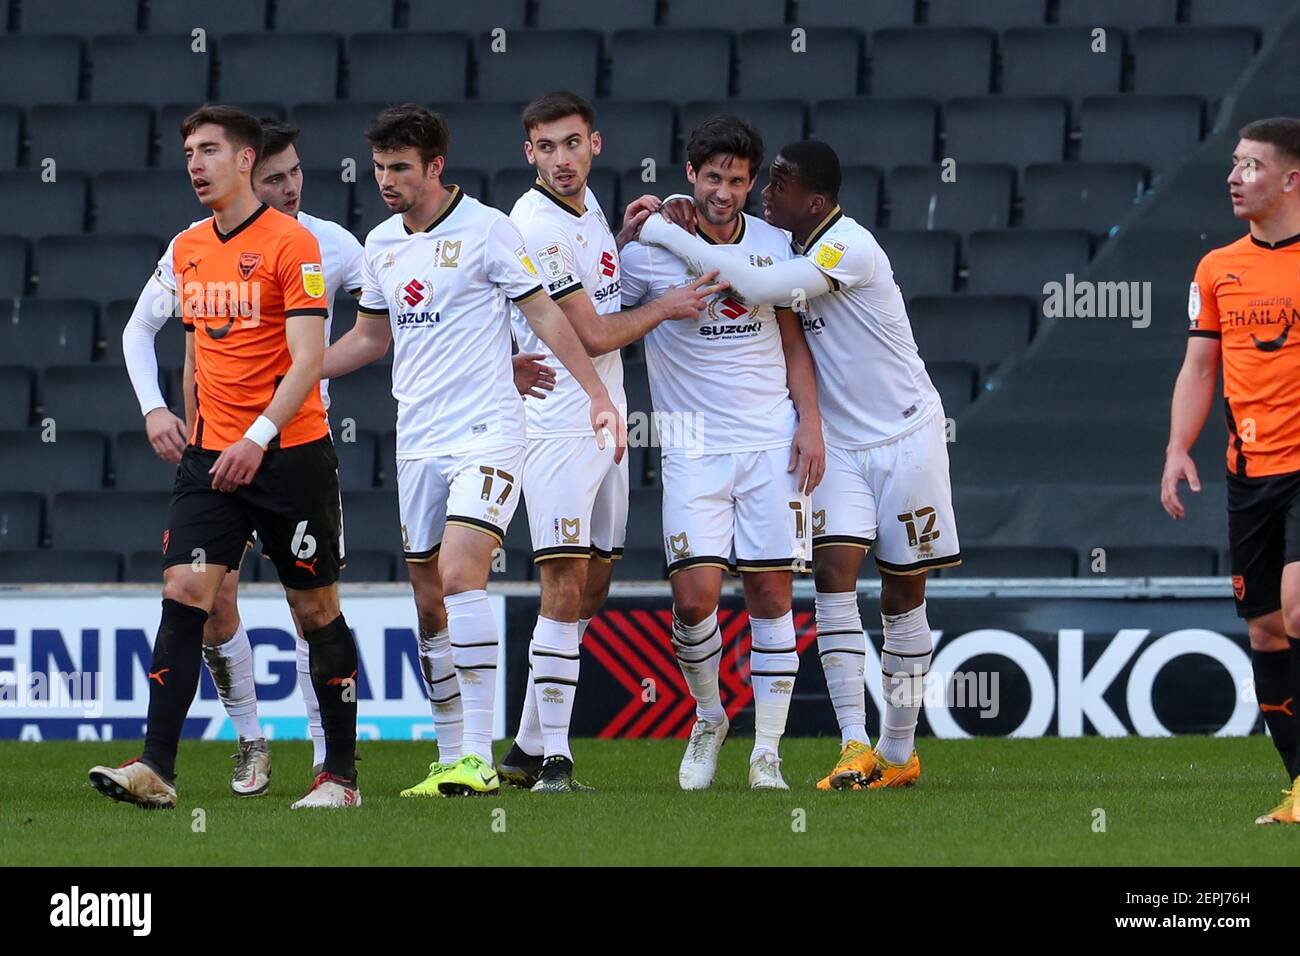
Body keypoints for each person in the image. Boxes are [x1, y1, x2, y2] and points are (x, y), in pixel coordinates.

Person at [640, 138, 962, 791]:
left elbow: (752, 282)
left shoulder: (847, 245)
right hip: (837, 442)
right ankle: (851, 744)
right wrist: (673, 215)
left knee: (903, 592)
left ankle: (898, 751)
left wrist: (662, 233)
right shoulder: (790, 244)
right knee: (833, 573)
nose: (763, 193)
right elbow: (740, 249)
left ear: (812, 200)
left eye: (776, 183)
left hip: (907, 435)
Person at [323, 104, 625, 797]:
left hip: (490, 432)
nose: (387, 181)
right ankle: (453, 753)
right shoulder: (382, 244)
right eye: (379, 169)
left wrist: (596, 396)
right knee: (429, 602)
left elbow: (545, 314)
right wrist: (301, 373)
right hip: (419, 441)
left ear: (435, 166)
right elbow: (372, 338)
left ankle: (482, 760)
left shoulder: (490, 229)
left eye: (400, 168)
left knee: (462, 574)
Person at [91, 105, 361, 810]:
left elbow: (308, 361)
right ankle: (157, 768)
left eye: (209, 150)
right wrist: (157, 408)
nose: (195, 164)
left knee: (315, 609)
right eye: (189, 152)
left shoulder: (293, 246)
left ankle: (339, 776)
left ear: (244, 161)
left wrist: (259, 436)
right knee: (185, 595)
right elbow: (142, 335)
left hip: (290, 454)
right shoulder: (185, 248)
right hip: (211, 458)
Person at [498, 91, 723, 793]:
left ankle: (526, 749)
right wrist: (671, 305)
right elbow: (592, 334)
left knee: (592, 589)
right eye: (547, 147)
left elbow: (596, 291)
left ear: (595, 143)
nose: (561, 159)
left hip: (605, 420)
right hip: (558, 424)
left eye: (572, 143)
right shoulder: (534, 223)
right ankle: (555, 764)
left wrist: (624, 239)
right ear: (528, 153)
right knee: (562, 585)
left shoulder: (586, 210)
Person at [621, 117, 825, 791]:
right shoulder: (650, 252)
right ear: (691, 176)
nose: (726, 192)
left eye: (739, 180)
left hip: (770, 440)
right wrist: (628, 232)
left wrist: (811, 424)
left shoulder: (773, 244)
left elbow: (795, 341)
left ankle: (766, 751)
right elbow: (600, 320)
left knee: (771, 594)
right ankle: (709, 716)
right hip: (690, 446)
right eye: (714, 177)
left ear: (751, 183)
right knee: (693, 598)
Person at [1162, 117, 1300, 825]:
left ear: (1290, 178)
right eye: (1234, 165)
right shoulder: (1217, 267)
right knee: (1267, 632)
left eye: (1250, 165)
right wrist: (1176, 448)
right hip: (1252, 471)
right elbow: (1199, 365)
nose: (1234, 176)